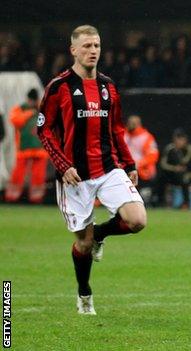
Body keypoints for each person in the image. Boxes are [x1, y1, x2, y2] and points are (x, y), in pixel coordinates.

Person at [37, 25, 147, 315]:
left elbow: (116, 130)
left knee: (137, 220)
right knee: (83, 245)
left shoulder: (109, 86)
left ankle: (100, 232)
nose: (92, 51)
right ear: (73, 50)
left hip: (109, 168)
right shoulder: (59, 87)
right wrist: (62, 165)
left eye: (96, 45)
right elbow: (44, 131)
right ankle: (84, 292)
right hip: (76, 176)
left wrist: (130, 164)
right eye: (86, 46)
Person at [5, 89, 48, 203]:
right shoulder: (21, 108)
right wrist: (30, 113)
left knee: (38, 175)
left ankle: (37, 198)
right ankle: (12, 197)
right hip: (23, 148)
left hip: (40, 149)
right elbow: (15, 120)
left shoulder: (43, 108)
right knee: (18, 174)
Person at [157, 128, 191, 209]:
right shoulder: (170, 149)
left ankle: (186, 203)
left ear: (185, 140)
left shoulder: (190, 149)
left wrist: (178, 155)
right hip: (176, 174)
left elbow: (185, 162)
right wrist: (174, 168)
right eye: (176, 139)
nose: (178, 142)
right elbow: (163, 164)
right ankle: (161, 202)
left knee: (185, 177)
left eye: (180, 140)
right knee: (162, 177)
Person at [124, 115, 159, 205]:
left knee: (143, 198)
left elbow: (153, 155)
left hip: (142, 171)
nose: (130, 125)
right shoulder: (123, 134)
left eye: (133, 123)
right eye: (129, 123)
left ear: (139, 124)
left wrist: (138, 164)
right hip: (124, 169)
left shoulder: (146, 137)